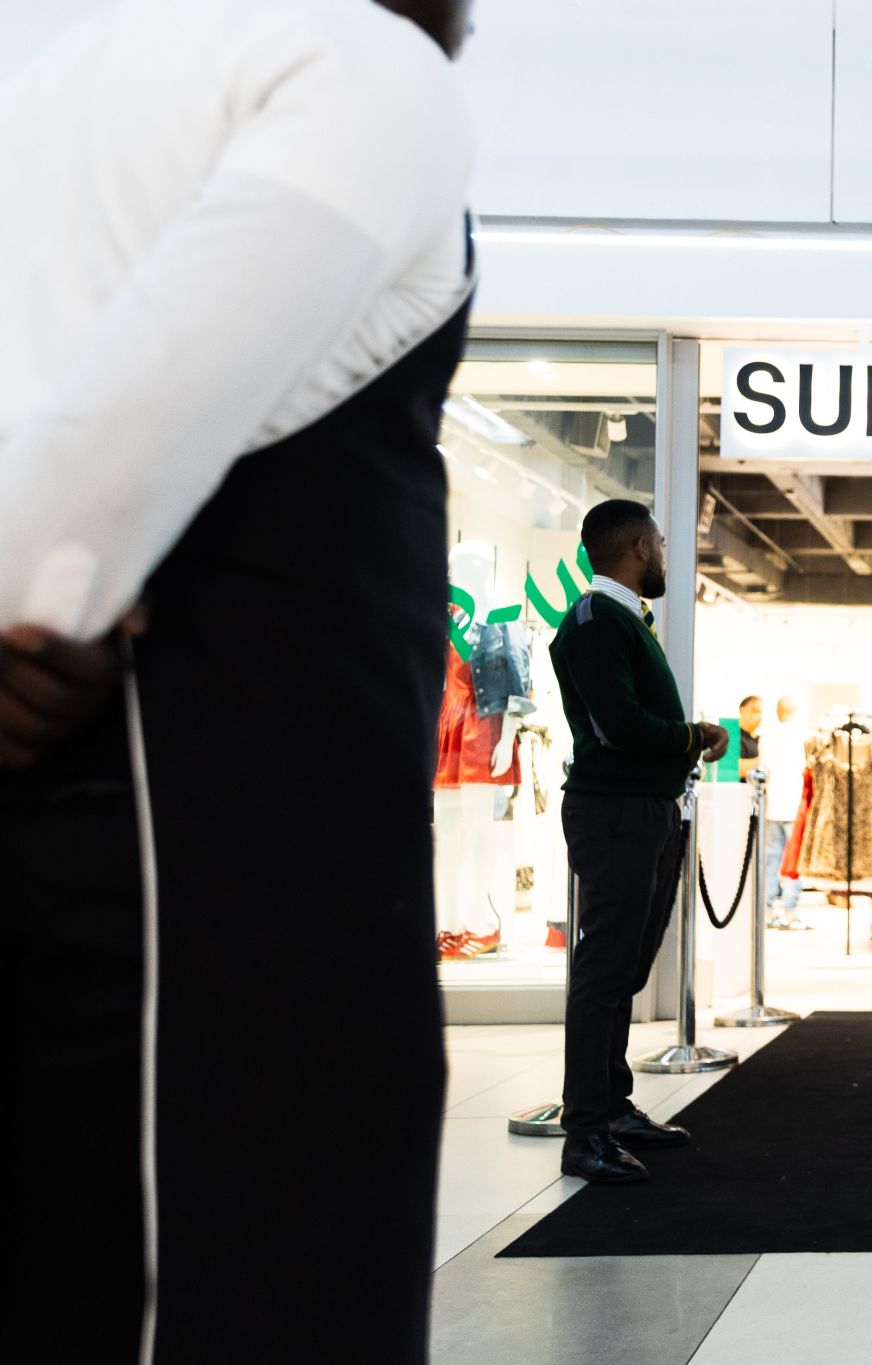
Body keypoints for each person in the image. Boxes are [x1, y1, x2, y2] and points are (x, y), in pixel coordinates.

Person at [0, 2, 477, 1359]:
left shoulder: (55, 71)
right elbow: (125, 418)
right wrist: (36, 596)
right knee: (260, 1266)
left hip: (106, 824)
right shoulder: (360, 67)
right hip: (224, 842)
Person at [550, 500, 729, 1185]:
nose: (662, 553)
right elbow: (619, 724)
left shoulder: (624, 619)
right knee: (605, 972)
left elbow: (627, 719)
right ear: (636, 547)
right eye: (658, 541)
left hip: (641, 810)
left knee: (623, 969)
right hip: (615, 812)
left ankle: (612, 1108)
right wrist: (692, 735)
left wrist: (685, 740)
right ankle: (585, 1131)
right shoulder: (596, 620)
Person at [757, 695, 810, 929]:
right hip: (795, 807)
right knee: (794, 862)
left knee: (771, 860)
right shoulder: (803, 735)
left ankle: (768, 910)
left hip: (773, 806)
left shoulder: (767, 736)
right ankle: (790, 911)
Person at [736, 693, 762, 778]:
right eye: (756, 711)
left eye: (761, 712)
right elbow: (735, 769)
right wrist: (766, 760)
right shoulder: (734, 737)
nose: (760, 716)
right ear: (742, 710)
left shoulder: (760, 740)